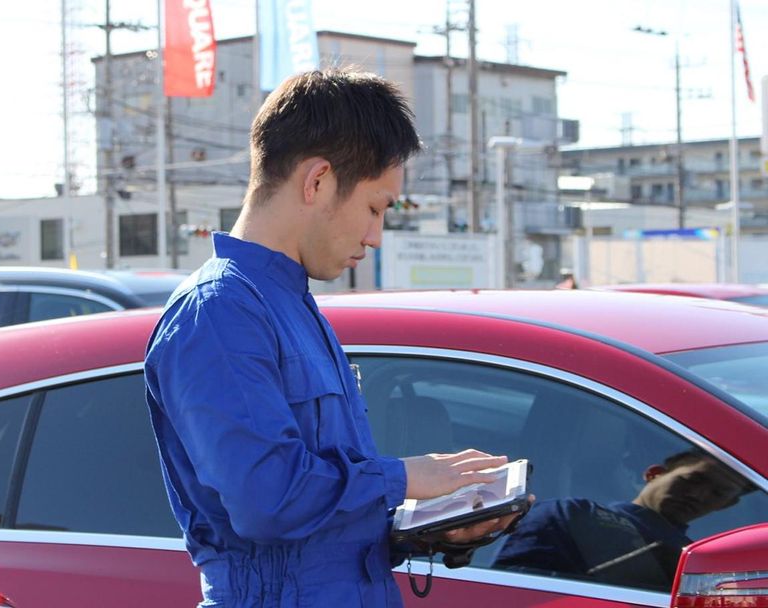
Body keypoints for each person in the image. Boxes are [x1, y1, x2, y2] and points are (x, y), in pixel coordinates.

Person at [144, 69, 520, 608]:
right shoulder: (220, 311)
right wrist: (406, 478)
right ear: (317, 181)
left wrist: (424, 526)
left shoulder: (287, 302)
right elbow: (267, 501)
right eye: (374, 208)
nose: (376, 236)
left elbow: (320, 525)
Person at [493, 451, 750, 590]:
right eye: (692, 480)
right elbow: (513, 585)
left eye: (718, 493)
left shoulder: (702, 565)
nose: (698, 495)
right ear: (654, 474)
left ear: (726, 505)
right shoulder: (572, 513)